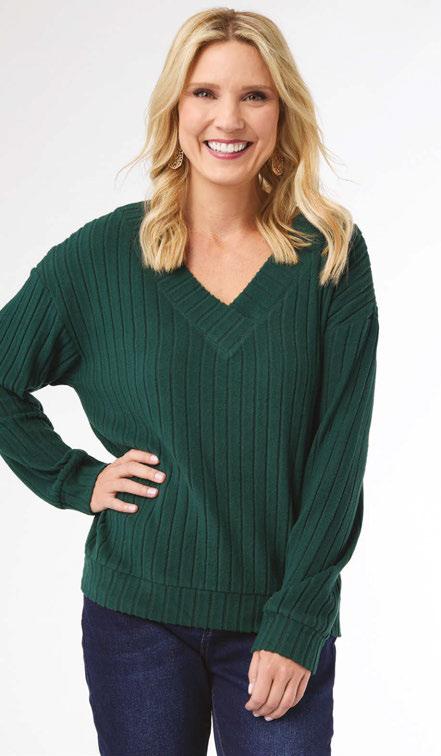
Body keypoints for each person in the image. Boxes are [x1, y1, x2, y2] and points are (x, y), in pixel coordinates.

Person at [0, 8, 379, 755]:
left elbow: (339, 457)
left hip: (278, 623)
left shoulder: (330, 258)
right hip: (135, 620)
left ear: (282, 112)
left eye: (254, 96)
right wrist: (76, 480)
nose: (227, 119)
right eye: (204, 93)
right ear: (175, 108)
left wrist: (298, 620)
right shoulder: (102, 256)